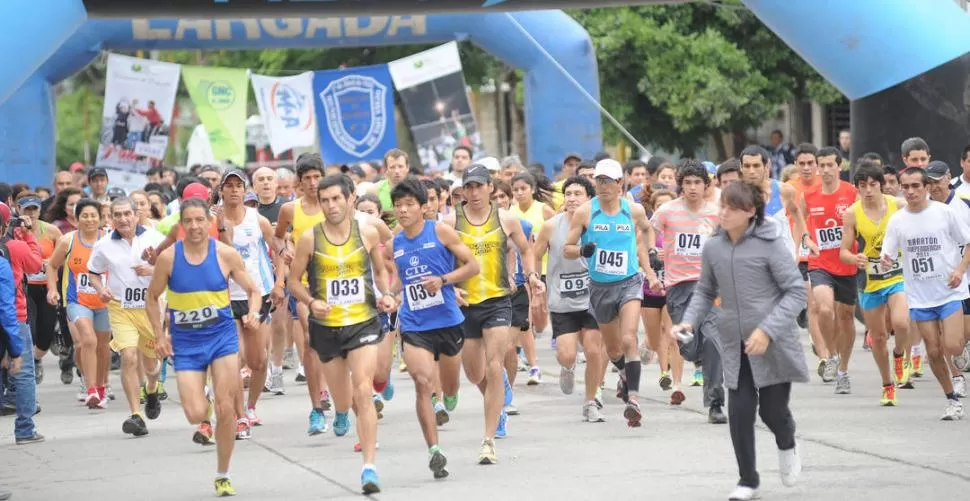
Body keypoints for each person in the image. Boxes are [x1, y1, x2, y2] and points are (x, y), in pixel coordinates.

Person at [672, 181, 807, 501]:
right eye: (722, 206)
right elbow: (705, 290)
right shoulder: (714, 247)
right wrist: (688, 320)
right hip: (735, 341)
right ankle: (748, 480)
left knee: (772, 413)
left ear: (749, 212)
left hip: (772, 341)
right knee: (740, 410)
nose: (723, 212)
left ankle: (787, 441)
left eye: (731, 208)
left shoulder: (770, 243)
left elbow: (795, 291)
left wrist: (767, 330)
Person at [146, 198, 264, 496]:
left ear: (209, 222)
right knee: (195, 412)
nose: (196, 226)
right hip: (186, 343)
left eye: (201, 220)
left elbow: (253, 290)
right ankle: (206, 405)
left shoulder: (225, 254)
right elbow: (152, 297)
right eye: (190, 221)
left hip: (222, 337)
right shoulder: (169, 259)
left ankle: (223, 473)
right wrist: (160, 336)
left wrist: (252, 312)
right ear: (181, 225)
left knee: (226, 409)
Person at [287, 174, 396, 493]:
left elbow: (379, 270)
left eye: (337, 198)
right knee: (344, 398)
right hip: (327, 327)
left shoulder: (367, 232)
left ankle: (369, 468)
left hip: (363, 321)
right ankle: (340, 411)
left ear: (350, 199)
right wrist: (311, 301)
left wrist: (386, 293)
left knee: (363, 389)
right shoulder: (309, 238)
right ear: (319, 204)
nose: (332, 205)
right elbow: (294, 282)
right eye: (325, 200)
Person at [441, 162, 542, 463]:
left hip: (498, 300)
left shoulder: (506, 219)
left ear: (490, 189)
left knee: (494, 365)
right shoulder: (450, 221)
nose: (473, 193)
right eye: (468, 187)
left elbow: (526, 249)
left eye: (478, 186)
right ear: (462, 191)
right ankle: (494, 402)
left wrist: (532, 275)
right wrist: (450, 287)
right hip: (466, 304)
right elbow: (439, 257)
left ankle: (488, 440)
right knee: (474, 372)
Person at [386, 176, 480, 480]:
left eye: (409, 204)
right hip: (414, 324)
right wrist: (390, 294)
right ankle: (434, 451)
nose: (402, 210)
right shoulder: (395, 242)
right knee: (422, 382)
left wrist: (444, 281)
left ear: (424, 207)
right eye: (398, 205)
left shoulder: (439, 230)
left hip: (448, 321)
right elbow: (400, 278)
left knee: (449, 388)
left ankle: (449, 396)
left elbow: (472, 265)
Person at [564, 159, 660, 427]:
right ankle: (625, 372)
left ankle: (634, 401)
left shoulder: (634, 210)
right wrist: (583, 250)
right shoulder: (585, 212)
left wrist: (651, 253)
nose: (603, 186)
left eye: (608, 181)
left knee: (629, 339)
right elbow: (567, 248)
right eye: (599, 181)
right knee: (614, 347)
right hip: (599, 287)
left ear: (620, 184)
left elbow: (647, 229)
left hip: (629, 282)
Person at [881, 167, 970, 420]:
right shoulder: (898, 221)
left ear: (926, 187)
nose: (910, 191)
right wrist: (886, 260)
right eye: (905, 186)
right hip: (920, 295)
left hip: (949, 290)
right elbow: (886, 252)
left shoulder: (944, 213)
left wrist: (960, 270)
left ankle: (962, 352)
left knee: (951, 345)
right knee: (933, 352)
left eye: (915, 186)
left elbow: (968, 242)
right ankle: (952, 399)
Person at [650, 160, 727, 424]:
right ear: (680, 185)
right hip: (679, 287)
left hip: (709, 286)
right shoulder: (667, 211)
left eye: (698, 182)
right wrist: (651, 252)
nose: (693, 188)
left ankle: (716, 402)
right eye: (688, 183)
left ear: (707, 185)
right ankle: (693, 355)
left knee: (713, 340)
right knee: (691, 348)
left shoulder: (717, 213)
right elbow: (648, 232)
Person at [88, 197, 167, 433]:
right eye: (117, 215)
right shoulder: (103, 245)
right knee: (129, 356)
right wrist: (101, 290)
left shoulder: (155, 239)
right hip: (121, 307)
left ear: (136, 214)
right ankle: (135, 414)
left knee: (152, 364)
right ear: (111, 218)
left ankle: (151, 389)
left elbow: (172, 267)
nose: (123, 219)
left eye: (127, 214)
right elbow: (93, 273)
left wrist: (152, 269)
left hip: (150, 307)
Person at [534, 176, 608, 420]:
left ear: (589, 198)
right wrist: (536, 280)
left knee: (593, 350)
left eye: (578, 194)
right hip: (562, 298)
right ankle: (568, 367)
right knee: (566, 353)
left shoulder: (600, 224)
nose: (572, 198)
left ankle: (590, 401)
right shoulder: (551, 226)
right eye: (568, 194)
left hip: (593, 298)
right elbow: (535, 255)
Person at [838, 163, 911, 405]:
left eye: (873, 184)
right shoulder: (851, 213)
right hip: (869, 279)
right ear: (857, 188)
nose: (868, 190)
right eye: (863, 186)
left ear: (881, 185)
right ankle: (887, 385)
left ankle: (899, 354)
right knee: (878, 337)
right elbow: (843, 252)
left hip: (897, 274)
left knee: (901, 322)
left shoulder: (897, 206)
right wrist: (854, 258)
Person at [217, 169, 283, 432]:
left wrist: (279, 283)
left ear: (245, 190)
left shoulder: (258, 220)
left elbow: (278, 248)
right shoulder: (213, 221)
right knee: (234, 357)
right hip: (225, 296)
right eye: (228, 185)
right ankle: (239, 413)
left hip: (258, 293)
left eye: (238, 185)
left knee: (258, 360)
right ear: (221, 190)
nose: (234, 190)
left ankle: (252, 406)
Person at [275, 154, 330, 434]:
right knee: (309, 340)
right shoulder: (289, 210)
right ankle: (317, 407)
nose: (312, 183)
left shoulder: (335, 204)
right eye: (306, 178)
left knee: (333, 345)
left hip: (333, 284)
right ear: (299, 181)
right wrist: (284, 250)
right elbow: (277, 236)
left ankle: (333, 393)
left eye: (316, 177)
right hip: (303, 283)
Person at [46, 200, 113, 411]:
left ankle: (102, 386)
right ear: (77, 219)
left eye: (94, 215)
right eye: (85, 215)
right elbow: (52, 265)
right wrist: (52, 289)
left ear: (100, 218)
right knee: (88, 340)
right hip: (77, 301)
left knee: (103, 347)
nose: (90, 219)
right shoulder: (68, 241)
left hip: (105, 302)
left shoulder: (109, 239)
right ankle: (91, 389)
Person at [801, 147, 858, 392]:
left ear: (839, 166)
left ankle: (843, 370)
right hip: (820, 263)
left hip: (847, 262)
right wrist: (806, 239)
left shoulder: (852, 192)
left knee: (846, 317)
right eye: (820, 165)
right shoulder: (809, 196)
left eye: (829, 165)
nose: (824, 170)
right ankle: (831, 356)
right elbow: (800, 223)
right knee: (824, 308)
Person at [0, 201, 44, 445]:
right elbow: (36, 264)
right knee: (24, 374)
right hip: (15, 316)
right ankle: (25, 430)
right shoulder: (15, 246)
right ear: (7, 223)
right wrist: (28, 235)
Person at [16, 192, 62, 384]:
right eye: (27, 209)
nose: (31, 213)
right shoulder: (14, 231)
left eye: (35, 209)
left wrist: (49, 263)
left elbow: (63, 258)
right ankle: (29, 365)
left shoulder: (52, 231)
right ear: (19, 210)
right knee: (31, 330)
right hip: (26, 288)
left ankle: (36, 359)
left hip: (47, 287)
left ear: (40, 210)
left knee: (45, 334)